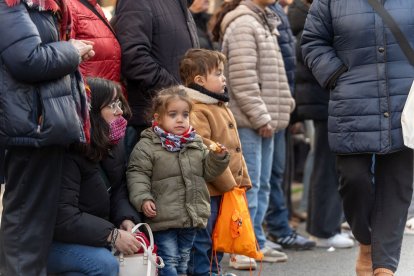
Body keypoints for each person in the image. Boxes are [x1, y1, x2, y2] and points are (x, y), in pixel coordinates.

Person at [301, 1, 414, 275]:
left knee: (396, 186)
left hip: (406, 101)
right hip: (352, 101)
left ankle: (384, 265)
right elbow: (313, 41)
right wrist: (337, 76)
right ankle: (366, 241)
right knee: (353, 178)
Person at [0, 0, 95, 274]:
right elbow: (28, 59)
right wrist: (71, 50)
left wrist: (69, 50)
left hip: (40, 127)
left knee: (33, 229)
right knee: (25, 230)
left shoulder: (38, 7)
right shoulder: (10, 5)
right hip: (29, 129)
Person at [211, 0, 295, 268]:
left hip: (266, 118)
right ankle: (240, 247)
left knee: (263, 184)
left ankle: (255, 239)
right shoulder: (245, 23)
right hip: (251, 121)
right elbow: (242, 78)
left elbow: (273, 74)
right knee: (248, 186)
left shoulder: (262, 20)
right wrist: (261, 116)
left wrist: (285, 106)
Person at [126, 86, 230, 276]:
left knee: (182, 262)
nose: (180, 119)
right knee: (169, 262)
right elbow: (137, 174)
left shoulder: (195, 142)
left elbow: (208, 172)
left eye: (185, 114)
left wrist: (218, 158)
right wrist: (143, 199)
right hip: (163, 217)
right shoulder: (147, 145)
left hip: (190, 217)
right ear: (157, 118)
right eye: (173, 114)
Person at [47, 78, 141, 275]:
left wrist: (125, 218)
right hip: (51, 241)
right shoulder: (68, 154)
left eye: (120, 104)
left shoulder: (111, 145)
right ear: (92, 113)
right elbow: (63, 216)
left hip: (87, 237)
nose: (120, 111)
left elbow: (118, 189)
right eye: (112, 105)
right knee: (104, 265)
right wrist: (111, 234)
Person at [287, 0, 354, 249]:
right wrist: (340, 78)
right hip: (327, 101)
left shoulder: (308, 20)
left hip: (323, 100)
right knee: (327, 166)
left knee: (326, 165)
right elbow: (314, 58)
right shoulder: (313, 22)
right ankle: (325, 228)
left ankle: (324, 226)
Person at [179, 48, 251, 275]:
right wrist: (229, 182)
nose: (224, 78)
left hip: (225, 187)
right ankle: (203, 272)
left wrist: (242, 179)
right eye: (218, 74)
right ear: (200, 80)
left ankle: (214, 270)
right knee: (204, 237)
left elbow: (235, 148)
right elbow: (206, 148)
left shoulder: (218, 105)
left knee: (220, 233)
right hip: (209, 188)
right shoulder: (197, 110)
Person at [113, 0, 200, 155]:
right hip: (150, 124)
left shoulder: (179, 4)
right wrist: (176, 92)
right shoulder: (137, 3)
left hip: (178, 117)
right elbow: (134, 57)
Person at [264, 0, 316, 250]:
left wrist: (287, 106)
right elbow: (247, 75)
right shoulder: (252, 17)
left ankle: (279, 226)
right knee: (265, 177)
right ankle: (271, 230)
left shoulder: (275, 14)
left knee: (276, 174)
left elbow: (283, 67)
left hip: (279, 107)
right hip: (265, 111)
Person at [66, 0, 121, 84]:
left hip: (106, 92)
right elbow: (67, 60)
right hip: (90, 93)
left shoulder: (95, 6)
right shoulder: (70, 6)